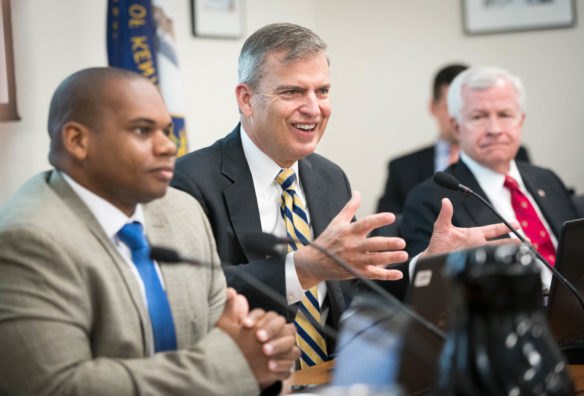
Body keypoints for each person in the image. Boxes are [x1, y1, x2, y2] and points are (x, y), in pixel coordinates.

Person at [171, 23, 514, 367]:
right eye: (292, 92)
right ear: (246, 99)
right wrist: (302, 270)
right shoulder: (189, 181)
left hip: (335, 376)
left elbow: (356, 291)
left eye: (322, 91)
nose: (313, 108)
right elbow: (194, 297)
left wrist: (426, 265)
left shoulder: (329, 177)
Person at [0, 67, 299, 395]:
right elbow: (58, 387)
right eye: (143, 131)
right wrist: (235, 364)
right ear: (77, 140)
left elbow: (225, 338)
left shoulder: (182, 211)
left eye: (166, 131)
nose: (168, 147)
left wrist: (265, 357)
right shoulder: (28, 239)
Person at [400, 65, 579, 291]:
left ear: (520, 121)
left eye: (505, 115)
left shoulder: (546, 178)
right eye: (478, 117)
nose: (494, 129)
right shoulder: (429, 198)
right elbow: (423, 294)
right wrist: (436, 264)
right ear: (456, 126)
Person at [376, 63, 530, 215]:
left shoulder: (510, 154)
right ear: (433, 107)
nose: (457, 114)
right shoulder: (403, 168)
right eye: (450, 106)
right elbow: (385, 228)